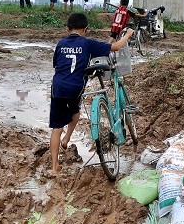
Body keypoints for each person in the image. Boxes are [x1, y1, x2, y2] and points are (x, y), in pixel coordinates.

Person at [49, 12, 133, 173]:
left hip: (58, 87)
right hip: (75, 88)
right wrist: (128, 34)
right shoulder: (87, 44)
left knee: (56, 127)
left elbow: (56, 64)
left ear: (67, 29)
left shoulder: (60, 44)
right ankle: (67, 138)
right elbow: (115, 47)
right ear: (86, 29)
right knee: (75, 112)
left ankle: (54, 166)